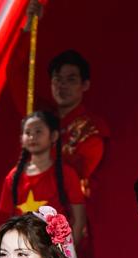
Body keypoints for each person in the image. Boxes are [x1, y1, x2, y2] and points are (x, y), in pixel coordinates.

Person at [0, 112, 86, 249]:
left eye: (38, 131)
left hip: (57, 251)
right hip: (24, 250)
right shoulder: (13, 177)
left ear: (54, 136)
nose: (32, 136)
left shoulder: (67, 174)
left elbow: (79, 219)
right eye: (27, 132)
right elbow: (6, 222)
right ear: (21, 139)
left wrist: (66, 253)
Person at [47, 50, 109, 199]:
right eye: (57, 79)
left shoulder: (93, 128)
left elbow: (75, 177)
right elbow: (14, 74)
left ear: (85, 85)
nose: (63, 85)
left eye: (71, 80)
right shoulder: (41, 117)